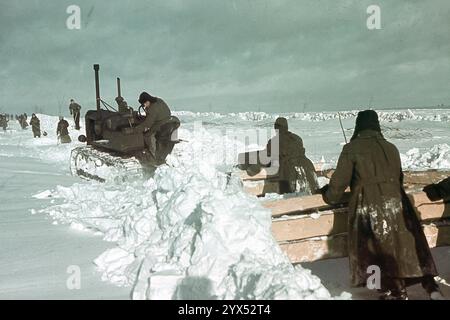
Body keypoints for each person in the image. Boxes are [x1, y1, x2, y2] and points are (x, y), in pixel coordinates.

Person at [320, 110, 442, 300]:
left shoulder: (351, 148)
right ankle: (429, 286)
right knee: (402, 246)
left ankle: (393, 291)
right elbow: (399, 178)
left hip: (368, 204)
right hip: (398, 203)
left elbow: (338, 185)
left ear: (359, 126)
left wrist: (328, 195)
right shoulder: (391, 147)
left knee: (373, 249)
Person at [239, 117, 319, 195]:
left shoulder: (274, 141)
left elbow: (265, 158)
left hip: (289, 174)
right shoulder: (297, 138)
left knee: (291, 198)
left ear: (276, 128)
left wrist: (251, 169)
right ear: (286, 127)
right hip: (307, 168)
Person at [135, 91, 174, 163]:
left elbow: (148, 124)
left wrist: (136, 129)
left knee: (147, 135)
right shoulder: (159, 100)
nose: (144, 105)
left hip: (161, 123)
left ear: (147, 101)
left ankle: (152, 156)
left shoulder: (152, 108)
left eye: (144, 103)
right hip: (168, 120)